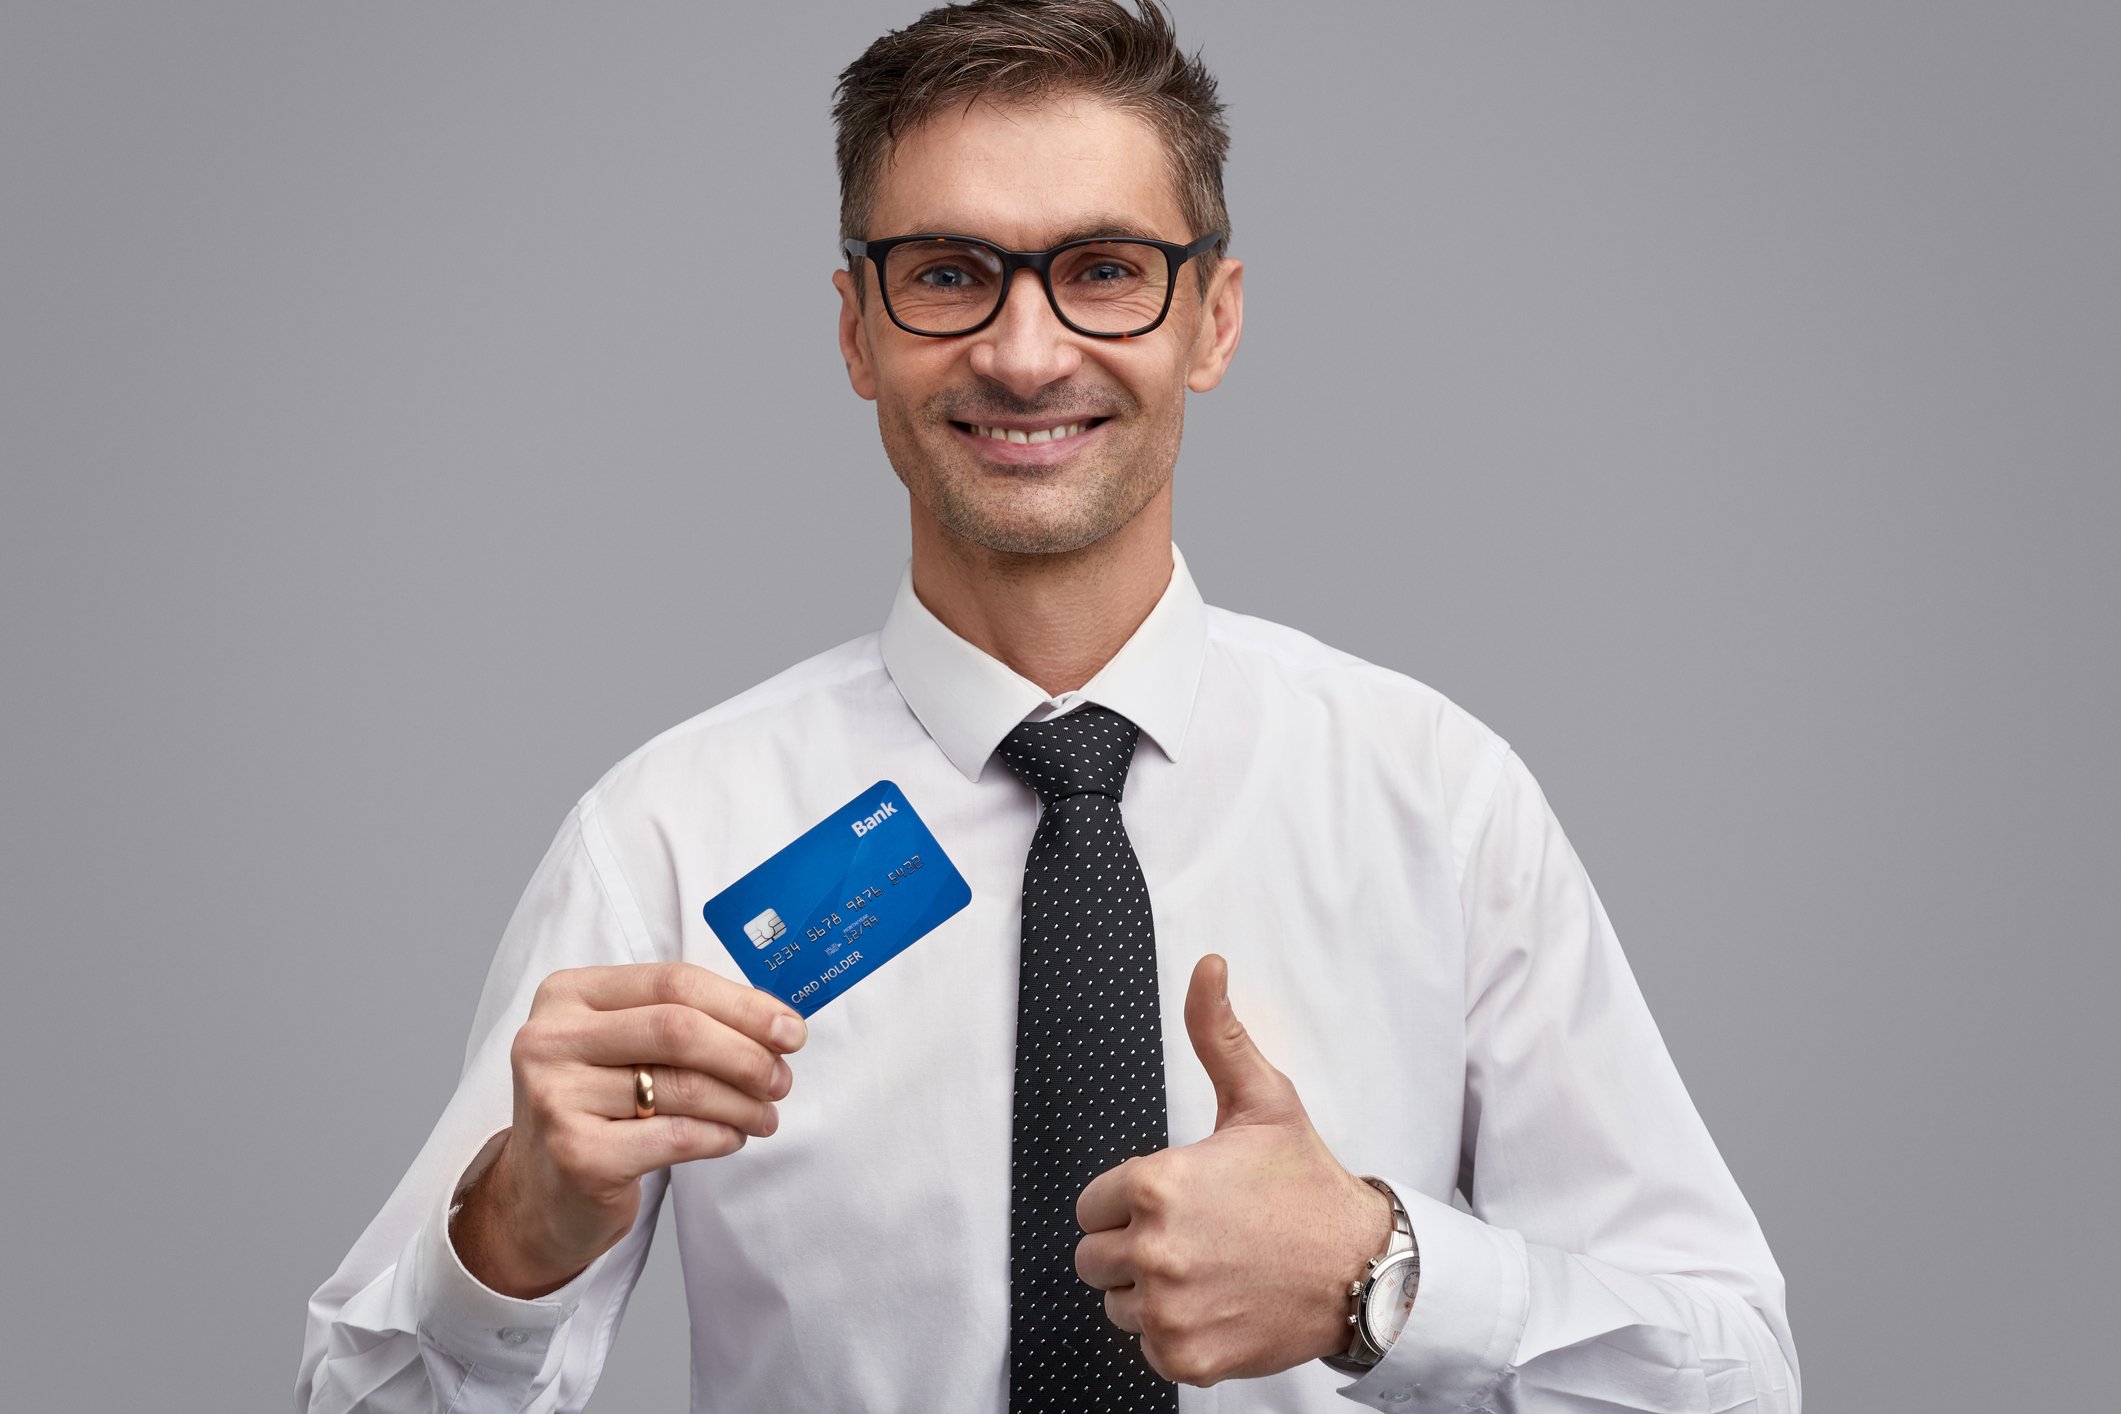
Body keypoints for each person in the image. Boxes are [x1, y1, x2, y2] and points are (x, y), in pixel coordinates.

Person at [298, 2, 1799, 1410]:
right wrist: (510, 1231)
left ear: (1209, 318)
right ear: (856, 330)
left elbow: (1738, 1371)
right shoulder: (671, 837)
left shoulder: (1437, 800)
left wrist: (1380, 1273)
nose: (1024, 353)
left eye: (1101, 268)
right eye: (949, 272)